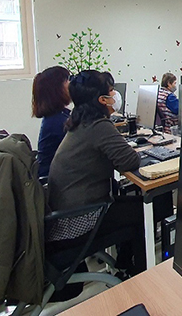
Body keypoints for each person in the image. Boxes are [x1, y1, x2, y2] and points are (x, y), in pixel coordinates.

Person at [47, 70, 146, 275]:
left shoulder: (78, 122)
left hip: (63, 216)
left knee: (135, 202)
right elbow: (129, 160)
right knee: (147, 209)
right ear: (102, 99)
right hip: (79, 220)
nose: (115, 95)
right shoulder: (98, 126)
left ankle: (126, 264)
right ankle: (138, 273)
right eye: (111, 91)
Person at [31, 66, 72, 178]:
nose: (71, 84)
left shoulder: (59, 116)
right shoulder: (58, 122)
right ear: (57, 89)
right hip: (56, 182)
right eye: (67, 80)